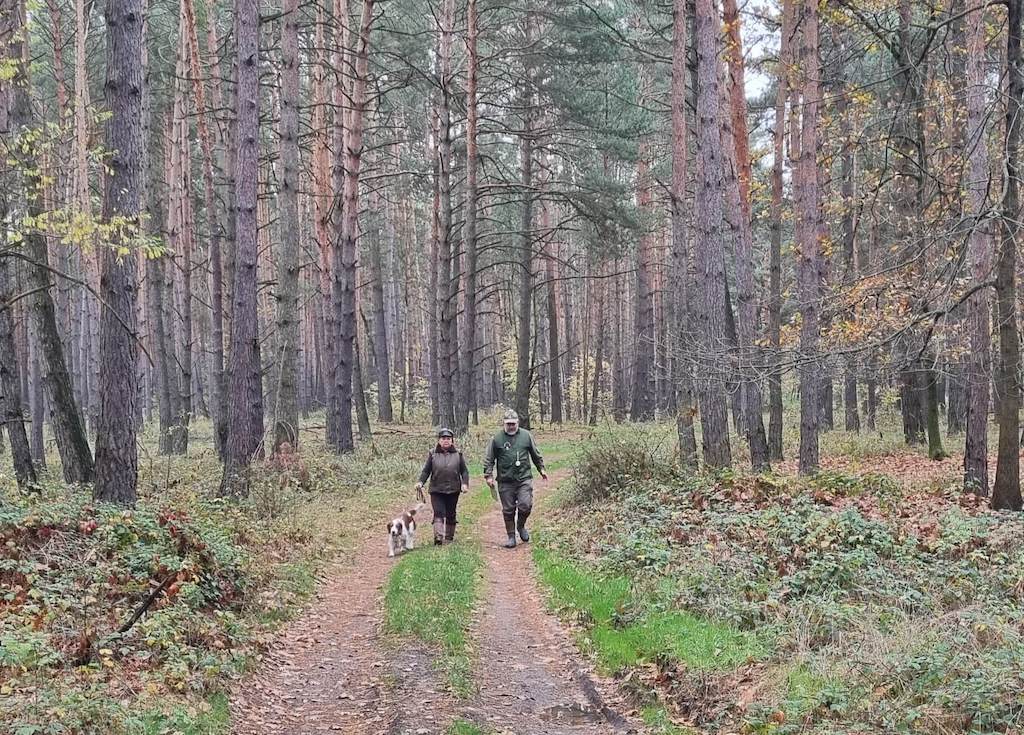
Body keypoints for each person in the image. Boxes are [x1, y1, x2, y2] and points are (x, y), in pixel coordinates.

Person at [483, 409, 547, 548]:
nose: (511, 426)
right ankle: (511, 536)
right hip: (505, 480)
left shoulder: (526, 435)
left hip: (524, 478)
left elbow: (535, 454)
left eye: (513, 423)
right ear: (504, 424)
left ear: (517, 422)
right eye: (508, 424)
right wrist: (488, 475)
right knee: (508, 509)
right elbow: (489, 458)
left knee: (526, 505)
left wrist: (541, 469)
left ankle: (521, 526)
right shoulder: (497, 438)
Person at [415, 428, 470, 545]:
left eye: (448, 439)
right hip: (436, 489)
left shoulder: (458, 454)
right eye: (443, 438)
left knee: (451, 513)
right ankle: (438, 538)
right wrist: (420, 482)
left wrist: (465, 484)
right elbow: (426, 471)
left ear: (452, 441)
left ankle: (449, 537)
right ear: (439, 440)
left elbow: (464, 471)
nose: (446, 441)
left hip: (453, 489)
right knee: (438, 512)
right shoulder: (433, 454)